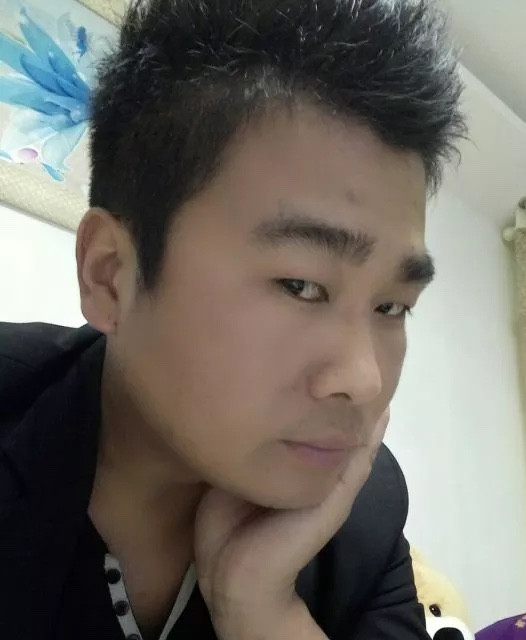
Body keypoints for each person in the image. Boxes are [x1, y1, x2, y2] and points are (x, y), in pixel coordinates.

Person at [0, 0, 464, 638]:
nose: (365, 381)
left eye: (392, 307)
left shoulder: (362, 509)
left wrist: (261, 609)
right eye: (301, 286)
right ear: (110, 275)